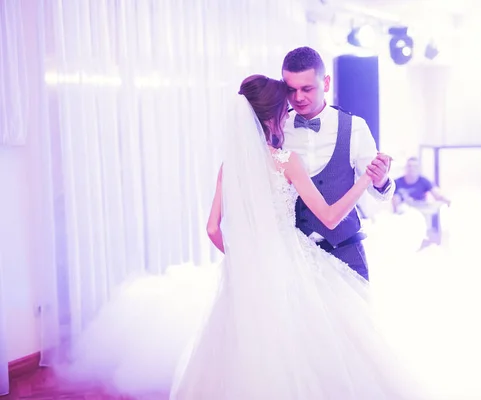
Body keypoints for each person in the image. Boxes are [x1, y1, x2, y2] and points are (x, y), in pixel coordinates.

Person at [169, 75, 422, 399]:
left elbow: (212, 229)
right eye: (286, 108)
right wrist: (364, 182)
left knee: (251, 351)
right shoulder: (286, 161)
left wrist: (242, 256)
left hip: (246, 273)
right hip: (289, 264)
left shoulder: (228, 166)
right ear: (275, 115)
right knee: (311, 349)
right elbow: (330, 216)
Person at [282, 46, 394, 281]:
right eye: (291, 90)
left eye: (307, 88)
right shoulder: (278, 128)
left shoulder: (356, 127)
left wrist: (381, 179)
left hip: (347, 253)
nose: (298, 97)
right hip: (294, 258)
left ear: (326, 82)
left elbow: (380, 193)